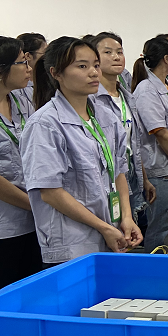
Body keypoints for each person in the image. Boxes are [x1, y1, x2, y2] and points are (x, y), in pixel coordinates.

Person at [21, 37, 142, 266]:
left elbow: (119, 172)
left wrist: (126, 217)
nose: (94, 72)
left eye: (95, 65)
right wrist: (103, 227)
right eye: (82, 66)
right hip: (72, 243)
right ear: (56, 73)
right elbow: (50, 192)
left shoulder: (107, 117)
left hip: (111, 232)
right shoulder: (45, 124)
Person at [90, 33, 156, 221]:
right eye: (108, 52)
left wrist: (144, 179)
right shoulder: (92, 100)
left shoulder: (127, 96)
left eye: (119, 52)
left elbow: (133, 143)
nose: (116, 57)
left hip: (131, 174)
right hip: (108, 178)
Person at [132, 36, 168, 250]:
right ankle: (154, 264)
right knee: (160, 225)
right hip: (159, 167)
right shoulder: (146, 89)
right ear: (166, 59)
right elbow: (160, 133)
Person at [0, 37, 42, 286]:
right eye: (22, 62)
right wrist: (35, 204)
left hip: (34, 221)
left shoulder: (22, 99)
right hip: (6, 226)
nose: (29, 68)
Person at [12, 33, 47, 110]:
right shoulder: (17, 87)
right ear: (28, 56)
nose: (47, 57)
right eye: (45, 53)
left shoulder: (47, 80)